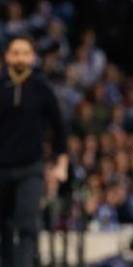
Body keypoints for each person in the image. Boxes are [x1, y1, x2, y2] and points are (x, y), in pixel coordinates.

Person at [0, 36, 69, 267]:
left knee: (28, 223)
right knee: (4, 227)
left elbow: (60, 128)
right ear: (7, 56)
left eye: (25, 52)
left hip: (31, 167)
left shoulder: (42, 88)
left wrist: (61, 163)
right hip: (1, 168)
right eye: (15, 52)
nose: (20, 57)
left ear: (32, 57)